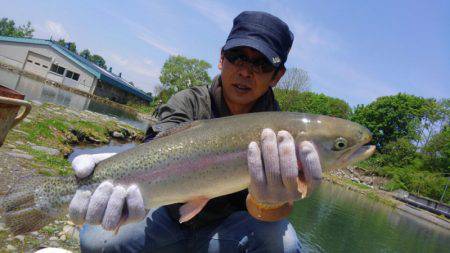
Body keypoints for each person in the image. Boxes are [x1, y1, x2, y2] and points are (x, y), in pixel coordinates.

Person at [69, 11, 322, 252]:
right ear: (222, 58)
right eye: (237, 57)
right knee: (96, 241)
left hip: (226, 236)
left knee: (285, 245)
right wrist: (116, 174)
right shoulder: (188, 101)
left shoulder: (285, 134)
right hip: (165, 219)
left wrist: (266, 203)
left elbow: (277, 211)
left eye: (262, 64)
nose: (245, 71)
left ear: (277, 76)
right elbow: (156, 143)